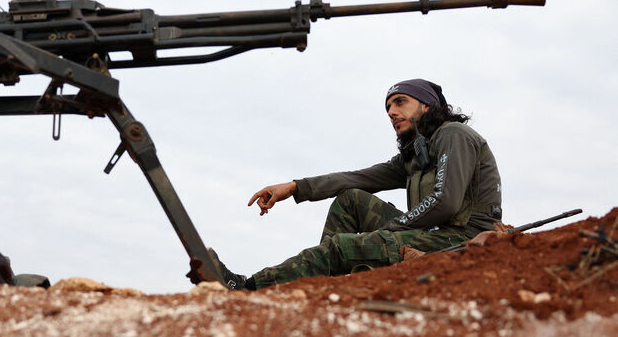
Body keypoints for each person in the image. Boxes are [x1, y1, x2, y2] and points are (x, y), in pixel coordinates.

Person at [210, 79, 503, 290]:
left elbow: (446, 201)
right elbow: (357, 178)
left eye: (401, 102)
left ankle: (247, 288)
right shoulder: (414, 156)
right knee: (351, 199)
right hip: (430, 232)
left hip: (461, 238)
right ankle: (326, 286)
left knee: (344, 247)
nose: (391, 112)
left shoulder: (453, 135)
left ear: (427, 106)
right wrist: (295, 187)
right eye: (388, 106)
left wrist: (389, 230)